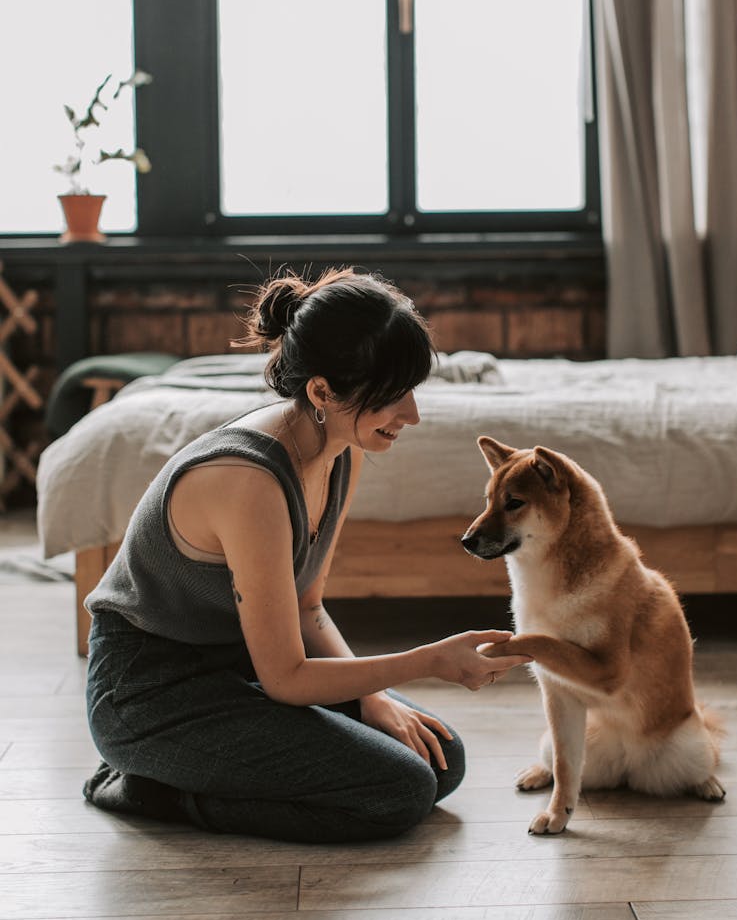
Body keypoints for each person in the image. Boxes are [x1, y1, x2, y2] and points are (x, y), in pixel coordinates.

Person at [82, 268, 530, 843]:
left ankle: (210, 770)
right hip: (149, 694)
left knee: (441, 760)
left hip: (236, 668)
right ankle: (149, 786)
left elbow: (306, 606)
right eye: (392, 396)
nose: (412, 415)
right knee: (399, 790)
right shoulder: (249, 482)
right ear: (321, 393)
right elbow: (287, 679)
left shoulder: (339, 446)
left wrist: (370, 697)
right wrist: (428, 660)